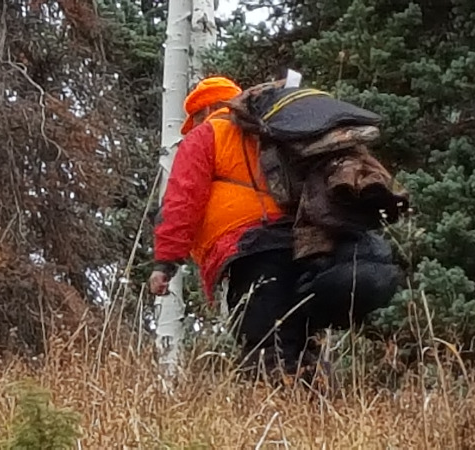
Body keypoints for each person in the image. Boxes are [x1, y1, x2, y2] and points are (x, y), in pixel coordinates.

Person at [149, 76, 402, 381]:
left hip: (250, 250)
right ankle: (312, 403)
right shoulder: (274, 130)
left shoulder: (208, 133)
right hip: (304, 246)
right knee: (302, 343)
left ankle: (273, 404)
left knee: (266, 344)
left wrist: (165, 262)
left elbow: (182, 200)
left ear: (205, 110)